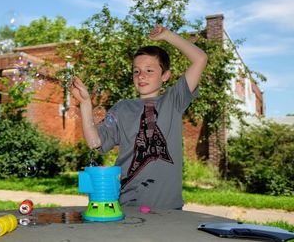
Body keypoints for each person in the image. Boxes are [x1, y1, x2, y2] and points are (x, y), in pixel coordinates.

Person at [70, 25, 208, 210]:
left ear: (165, 76)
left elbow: (200, 58)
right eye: (136, 71)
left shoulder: (174, 100)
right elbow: (95, 142)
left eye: (149, 70)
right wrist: (85, 103)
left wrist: (167, 36)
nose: (141, 76)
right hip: (128, 206)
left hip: (168, 209)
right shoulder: (122, 108)